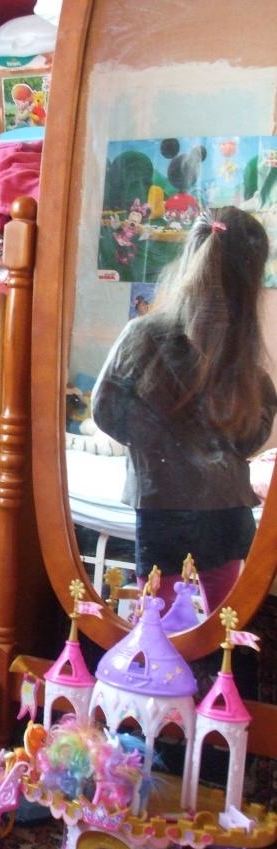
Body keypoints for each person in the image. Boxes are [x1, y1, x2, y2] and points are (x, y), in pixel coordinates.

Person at [92, 206, 277, 613]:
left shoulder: (142, 334)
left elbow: (106, 412)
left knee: (156, 622)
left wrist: (158, 443)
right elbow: (250, 440)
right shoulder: (246, 362)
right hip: (225, 504)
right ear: (251, 279)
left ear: (191, 254)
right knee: (223, 621)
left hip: (161, 500)